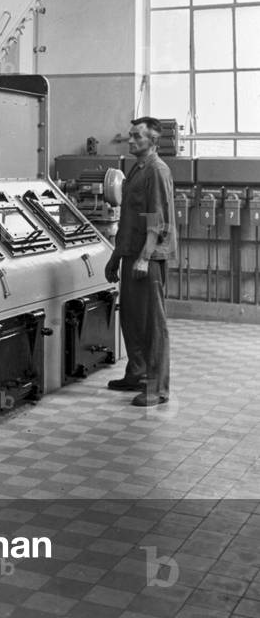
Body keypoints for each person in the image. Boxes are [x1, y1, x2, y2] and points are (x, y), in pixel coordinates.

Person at [104, 117, 177, 406]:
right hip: (132, 253)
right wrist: (116, 256)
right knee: (132, 318)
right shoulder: (137, 168)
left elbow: (155, 220)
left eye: (137, 137)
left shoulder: (157, 171)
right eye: (131, 135)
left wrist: (145, 258)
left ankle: (157, 388)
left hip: (149, 257)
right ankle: (137, 372)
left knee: (152, 324)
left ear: (153, 141)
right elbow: (129, 219)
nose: (131, 140)